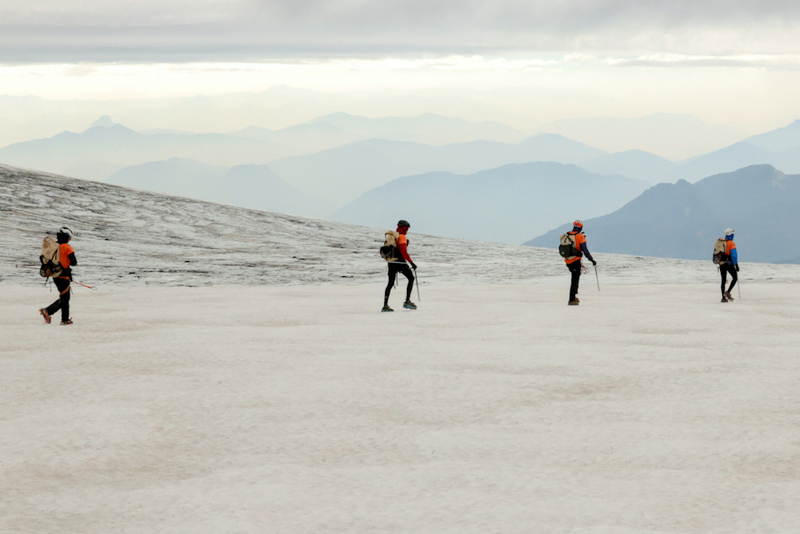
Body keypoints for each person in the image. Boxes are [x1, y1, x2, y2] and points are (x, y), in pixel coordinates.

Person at [39, 227, 77, 325]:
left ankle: (64, 319)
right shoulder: (67, 247)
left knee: (64, 297)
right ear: (67, 237)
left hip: (55, 275)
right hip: (64, 275)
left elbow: (42, 257)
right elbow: (74, 262)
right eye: (69, 238)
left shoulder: (54, 246)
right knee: (65, 298)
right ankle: (48, 311)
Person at [383, 219, 417, 312]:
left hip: (391, 262)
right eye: (406, 228)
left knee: (390, 283)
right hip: (399, 262)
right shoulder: (401, 237)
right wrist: (412, 263)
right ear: (404, 228)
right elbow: (403, 252)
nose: (407, 230)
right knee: (411, 278)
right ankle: (407, 301)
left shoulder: (392, 236)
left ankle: (385, 306)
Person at [563, 220, 596, 306]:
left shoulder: (566, 235)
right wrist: (591, 259)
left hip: (567, 261)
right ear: (581, 228)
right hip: (575, 261)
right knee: (574, 280)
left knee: (575, 278)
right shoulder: (580, 237)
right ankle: (572, 300)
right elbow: (585, 250)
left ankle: (574, 296)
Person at [719, 228, 739, 303]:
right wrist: (736, 264)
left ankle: (723, 298)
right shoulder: (731, 243)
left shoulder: (721, 242)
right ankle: (728, 292)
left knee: (723, 280)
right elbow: (734, 255)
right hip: (729, 264)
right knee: (735, 278)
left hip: (721, 264)